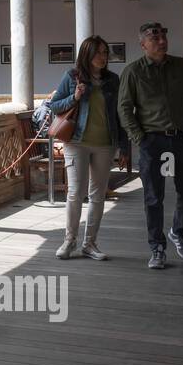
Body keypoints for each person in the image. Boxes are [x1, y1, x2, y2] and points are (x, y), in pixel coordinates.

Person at [117, 21, 183, 270]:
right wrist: (140, 138)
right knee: (153, 197)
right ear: (143, 44)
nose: (161, 41)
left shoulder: (181, 67)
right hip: (152, 141)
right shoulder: (133, 71)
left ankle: (178, 232)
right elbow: (124, 109)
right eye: (154, 37)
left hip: (181, 139)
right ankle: (157, 247)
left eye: (163, 36)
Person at [45, 35, 129, 261]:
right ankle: (69, 241)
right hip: (77, 143)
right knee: (75, 193)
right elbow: (54, 106)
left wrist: (124, 146)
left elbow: (120, 115)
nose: (103, 57)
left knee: (97, 195)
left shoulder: (113, 80)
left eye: (105, 53)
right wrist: (74, 96)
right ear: (87, 54)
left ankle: (90, 243)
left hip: (105, 144)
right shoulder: (72, 76)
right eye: (98, 53)